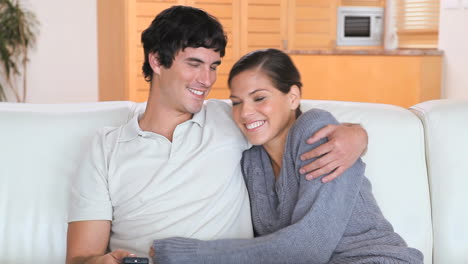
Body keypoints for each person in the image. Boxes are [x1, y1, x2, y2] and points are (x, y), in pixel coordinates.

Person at [66, 6, 368, 264]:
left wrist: (357, 134)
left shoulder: (232, 118)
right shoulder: (106, 148)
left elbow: (287, 112)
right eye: (194, 64)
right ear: (157, 61)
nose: (207, 80)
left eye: (213, 66)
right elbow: (81, 257)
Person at [148, 49, 424, 263]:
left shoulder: (315, 130)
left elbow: (308, 246)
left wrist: (181, 254)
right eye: (236, 102)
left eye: (259, 98)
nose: (245, 113)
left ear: (293, 98)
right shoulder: (252, 159)